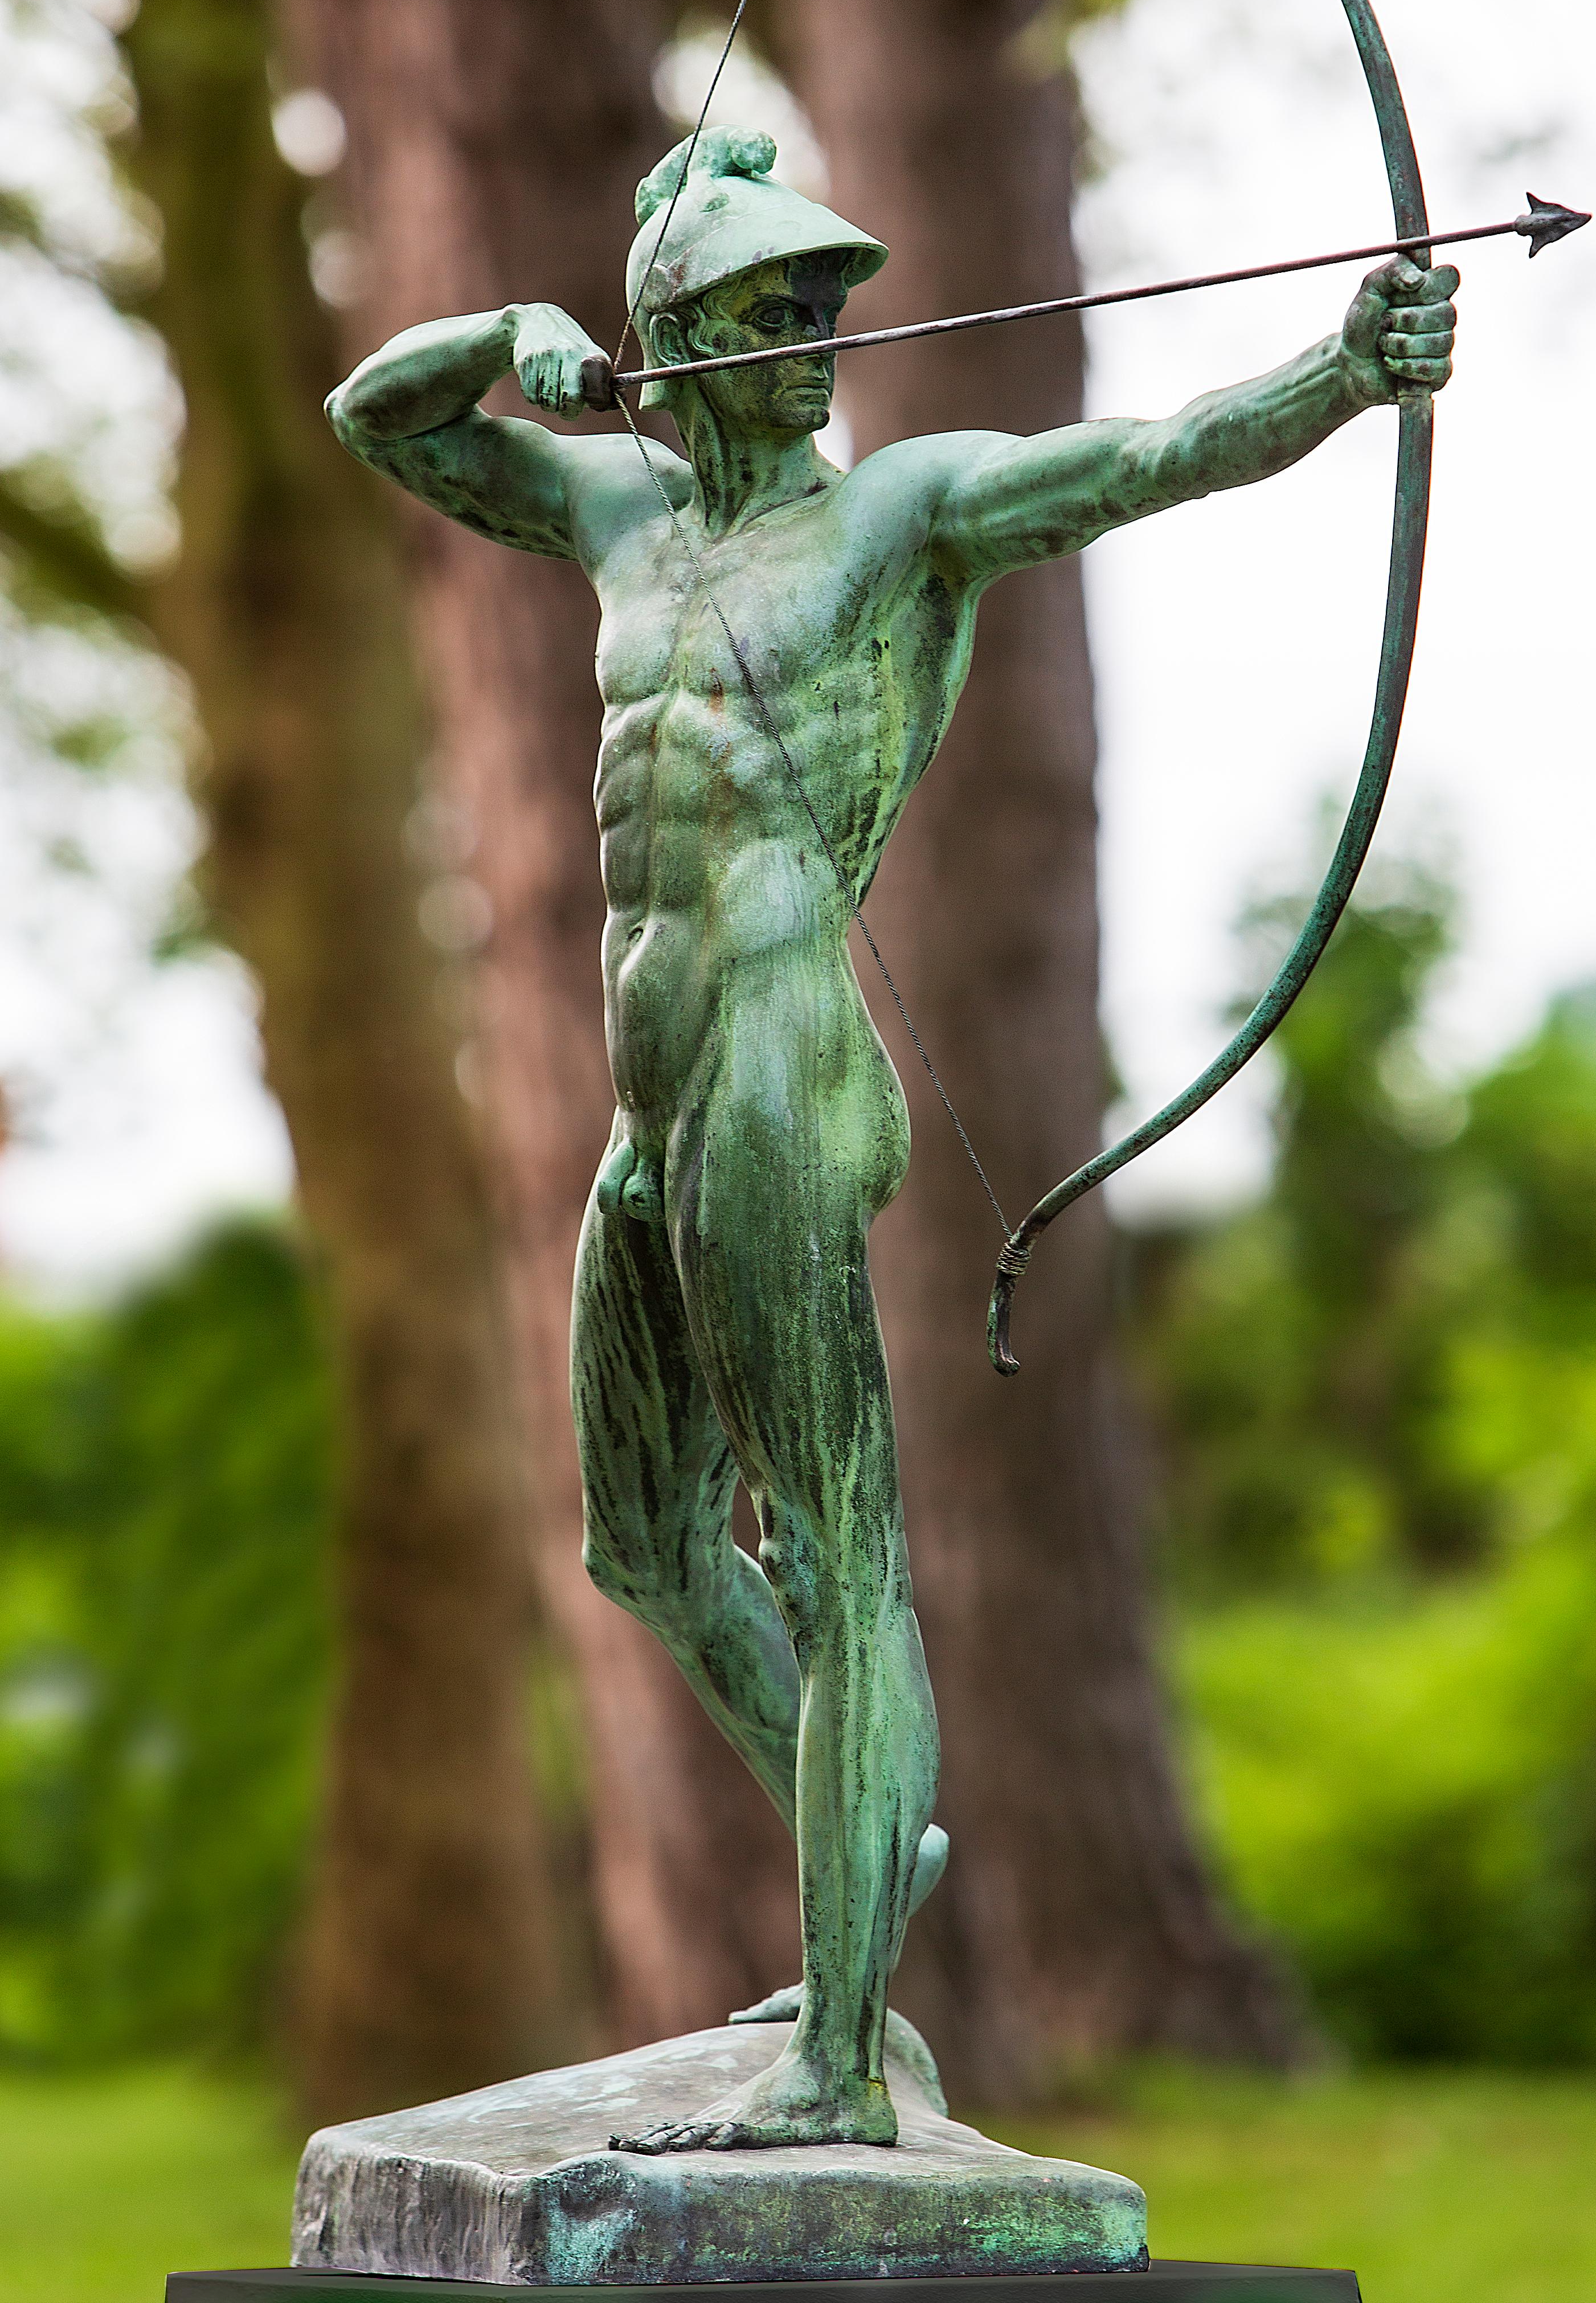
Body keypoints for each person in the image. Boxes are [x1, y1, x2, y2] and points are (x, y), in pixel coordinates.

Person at [326, 126, 1457, 2150]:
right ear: (669, 342)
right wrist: (508, 327)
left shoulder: (904, 513)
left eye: (829, 301)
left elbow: (1145, 458)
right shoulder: (615, 510)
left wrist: (1345, 369)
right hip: (650, 1090)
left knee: (839, 1557)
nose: (820, 334)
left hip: (773, 1065)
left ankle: (843, 2051)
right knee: (651, 1544)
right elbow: (382, 416)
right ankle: (871, 1850)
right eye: (775, 308)